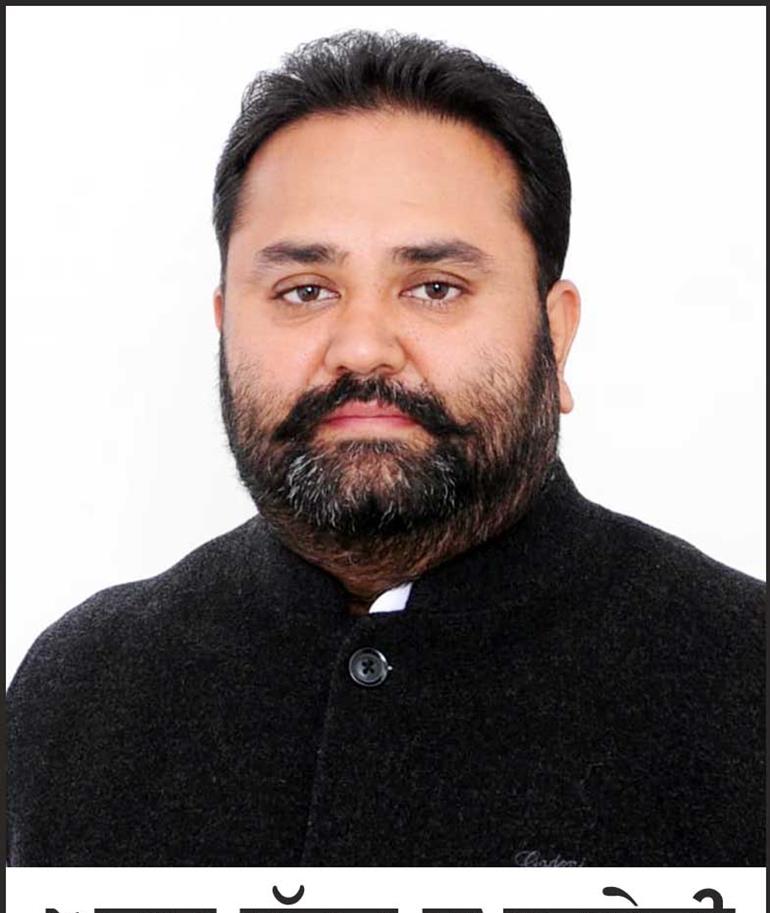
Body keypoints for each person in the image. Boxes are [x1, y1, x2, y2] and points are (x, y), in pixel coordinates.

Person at [7, 29, 764, 867]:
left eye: (435, 288)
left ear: (555, 335)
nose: (362, 348)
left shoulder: (744, 680)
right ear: (226, 328)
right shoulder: (78, 693)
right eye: (304, 290)